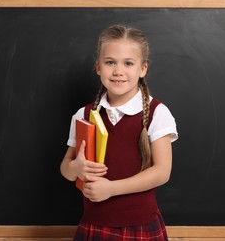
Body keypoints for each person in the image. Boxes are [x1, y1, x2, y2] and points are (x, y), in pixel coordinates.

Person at [60, 24, 178, 240]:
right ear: (98, 67)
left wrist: (111, 189)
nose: (118, 71)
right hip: (94, 225)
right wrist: (75, 168)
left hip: (140, 226)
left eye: (128, 63)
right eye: (110, 62)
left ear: (143, 69)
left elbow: (162, 172)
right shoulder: (83, 114)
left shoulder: (156, 113)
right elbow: (66, 169)